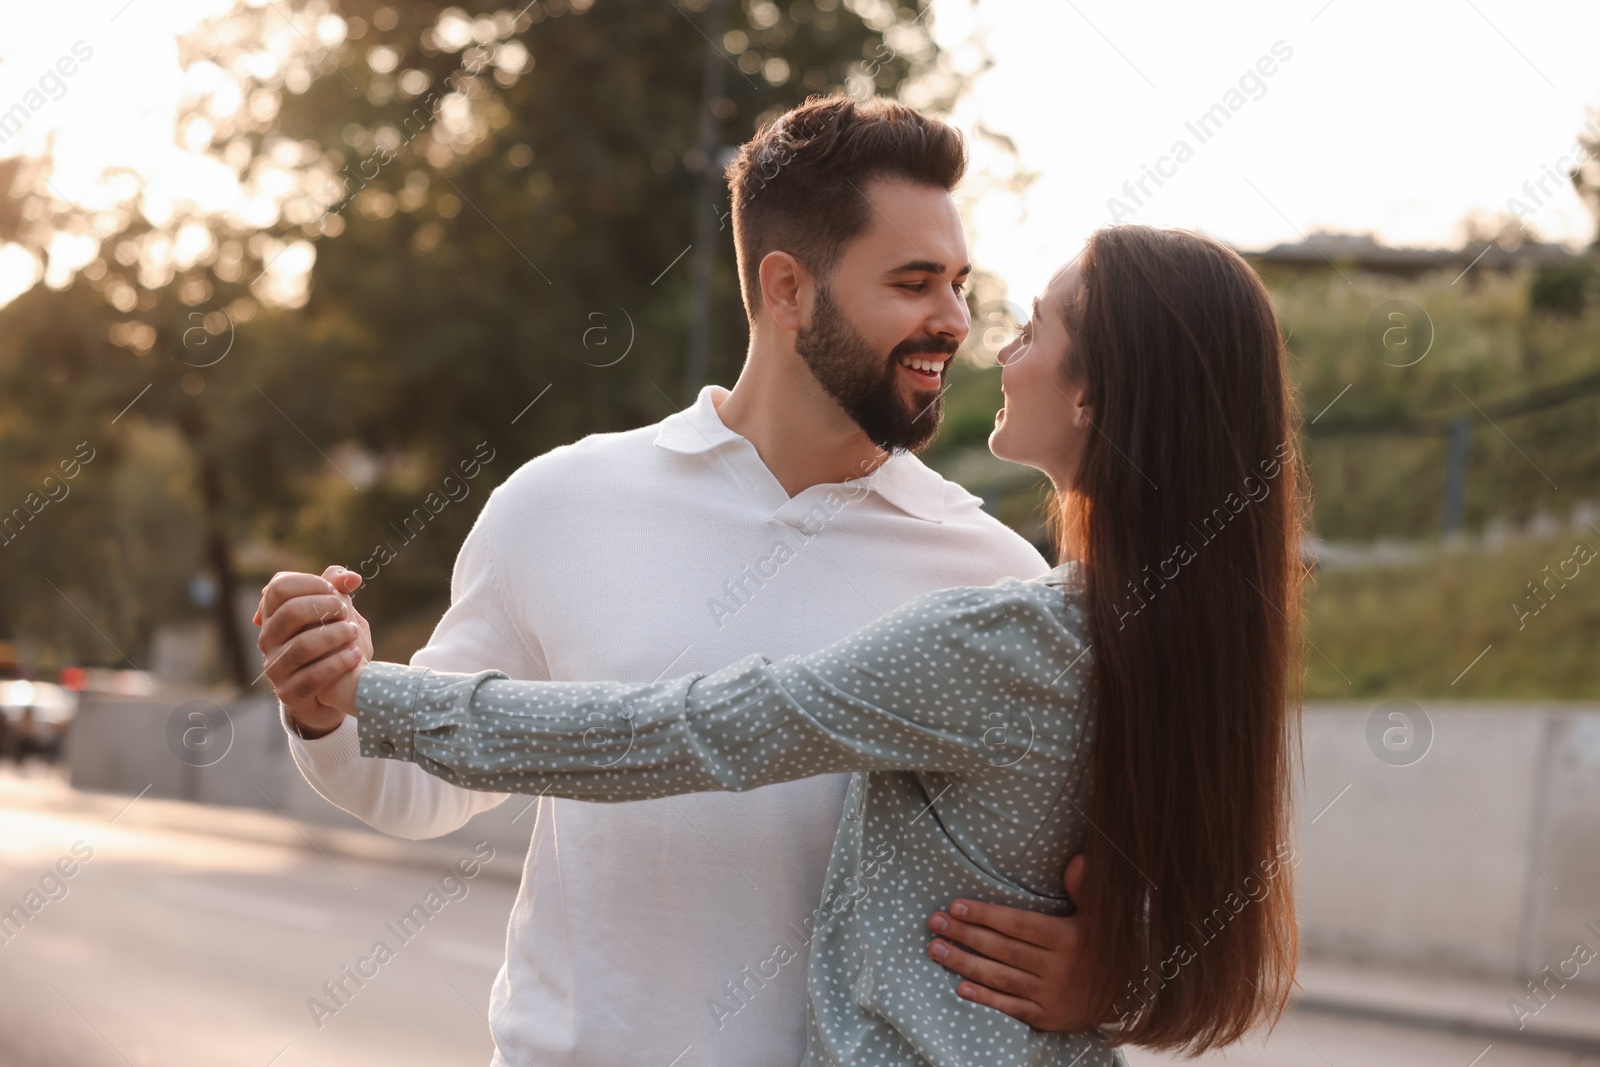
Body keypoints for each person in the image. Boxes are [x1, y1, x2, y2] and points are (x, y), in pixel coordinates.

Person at [260, 223, 1306, 1063]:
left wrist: (375, 694)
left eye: (1024, 323)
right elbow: (1172, 865)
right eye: (914, 280)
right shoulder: (1161, 629)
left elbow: (678, 733)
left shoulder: (1004, 612)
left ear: (1091, 393)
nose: (978, 335)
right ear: (788, 285)